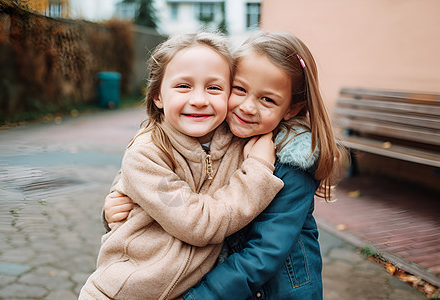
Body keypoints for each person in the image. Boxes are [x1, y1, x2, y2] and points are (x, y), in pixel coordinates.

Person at [104, 31, 345, 299]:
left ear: (291, 109)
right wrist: (121, 195)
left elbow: (264, 253)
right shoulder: (224, 131)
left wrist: (199, 297)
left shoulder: (290, 159)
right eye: (240, 89)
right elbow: (161, 161)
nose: (248, 107)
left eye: (267, 99)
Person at [78, 32, 285, 300]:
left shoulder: (239, 140)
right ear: (158, 97)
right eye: (183, 86)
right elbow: (199, 225)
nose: (199, 99)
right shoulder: (147, 152)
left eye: (214, 88)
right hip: (120, 294)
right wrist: (257, 170)